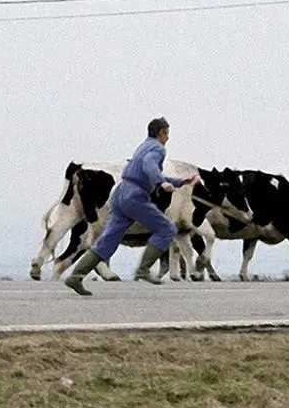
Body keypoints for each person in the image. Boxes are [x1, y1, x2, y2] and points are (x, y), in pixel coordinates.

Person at [64, 117, 198, 296]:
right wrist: (161, 183)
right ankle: (143, 269)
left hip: (120, 194)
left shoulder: (144, 145)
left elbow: (147, 170)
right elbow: (150, 167)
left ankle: (75, 276)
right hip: (135, 196)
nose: (168, 137)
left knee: (108, 240)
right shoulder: (158, 148)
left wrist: (180, 182)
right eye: (167, 133)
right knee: (167, 229)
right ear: (161, 133)